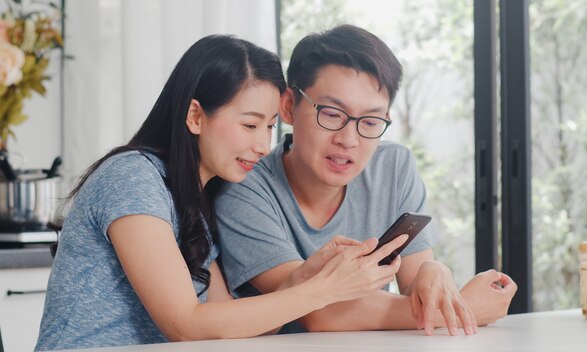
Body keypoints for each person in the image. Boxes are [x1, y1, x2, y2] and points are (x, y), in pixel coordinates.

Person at [35, 35, 410, 351]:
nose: (264, 145)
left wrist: (307, 276)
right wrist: (324, 291)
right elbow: (186, 324)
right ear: (195, 116)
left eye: (269, 127)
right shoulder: (132, 177)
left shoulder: (193, 201)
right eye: (249, 124)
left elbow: (236, 325)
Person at [215, 24, 517, 336]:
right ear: (290, 106)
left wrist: (434, 271)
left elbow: (415, 284)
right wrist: (465, 307)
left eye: (370, 121)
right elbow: (316, 310)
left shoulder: (394, 167)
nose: (348, 139)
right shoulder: (244, 185)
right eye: (332, 114)